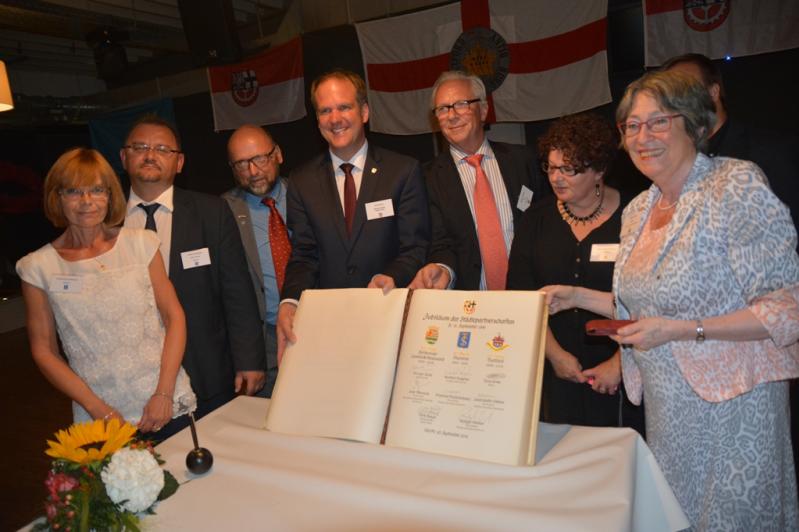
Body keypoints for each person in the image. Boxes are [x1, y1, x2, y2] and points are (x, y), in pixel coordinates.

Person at [544, 70, 799, 530]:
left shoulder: (734, 185)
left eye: (658, 122)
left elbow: (787, 307)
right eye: (632, 126)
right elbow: (648, 310)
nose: (643, 137)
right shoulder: (639, 209)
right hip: (668, 410)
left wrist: (685, 331)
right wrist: (575, 295)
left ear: (694, 123)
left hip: (734, 407)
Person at [16, 148, 196, 437]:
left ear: (110, 195)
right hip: (99, 417)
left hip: (166, 403)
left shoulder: (142, 244)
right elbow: (44, 351)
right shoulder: (38, 267)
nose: (86, 201)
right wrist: (98, 408)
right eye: (74, 191)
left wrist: (164, 393)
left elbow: (174, 317)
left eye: (97, 190)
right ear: (57, 198)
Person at [276, 70, 430, 361]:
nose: (335, 119)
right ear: (317, 120)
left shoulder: (403, 171)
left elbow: (415, 247)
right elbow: (304, 255)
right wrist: (290, 299)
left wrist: (392, 276)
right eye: (325, 111)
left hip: (391, 319)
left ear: (364, 112)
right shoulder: (301, 181)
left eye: (344, 107)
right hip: (331, 329)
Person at [121, 114, 266, 418]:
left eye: (163, 149)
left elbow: (237, 292)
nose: (150, 155)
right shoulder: (105, 220)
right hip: (130, 378)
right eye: (140, 147)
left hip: (206, 371)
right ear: (124, 157)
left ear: (180, 162)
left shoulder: (212, 212)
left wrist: (249, 360)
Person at [507, 113, 642, 432]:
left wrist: (620, 364)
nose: (556, 178)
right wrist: (555, 356)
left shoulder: (636, 215)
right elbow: (521, 297)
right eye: (551, 167)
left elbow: (650, 302)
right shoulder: (535, 220)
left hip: (624, 370)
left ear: (599, 170)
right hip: (557, 370)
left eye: (569, 169)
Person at [409, 71, 550, 291]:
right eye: (443, 109)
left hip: (531, 294)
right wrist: (443, 269)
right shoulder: (426, 178)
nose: (451, 115)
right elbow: (439, 242)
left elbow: (546, 221)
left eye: (461, 104)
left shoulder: (523, 160)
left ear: (483, 110)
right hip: (470, 302)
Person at [663, 53, 799, 236]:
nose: (679, 100)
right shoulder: (674, 162)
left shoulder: (769, 151)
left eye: (686, 88)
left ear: (713, 92)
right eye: (670, 94)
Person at [222, 125, 288, 397]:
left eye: (260, 159)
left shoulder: (309, 194)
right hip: (264, 342)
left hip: (320, 327)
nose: (253, 171)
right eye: (241, 164)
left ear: (278, 154)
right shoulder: (222, 212)